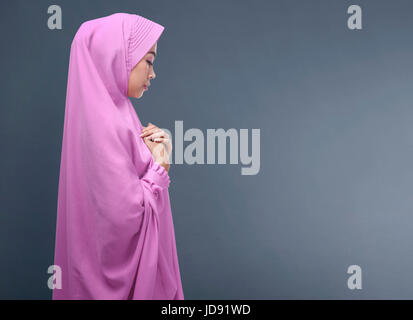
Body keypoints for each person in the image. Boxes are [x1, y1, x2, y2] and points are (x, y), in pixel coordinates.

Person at [52, 12, 184, 300]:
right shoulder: (105, 124)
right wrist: (160, 168)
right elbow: (121, 222)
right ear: (114, 54)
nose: (153, 73)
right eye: (148, 61)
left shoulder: (116, 113)